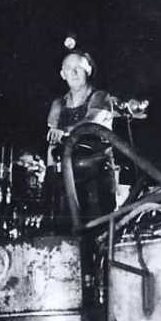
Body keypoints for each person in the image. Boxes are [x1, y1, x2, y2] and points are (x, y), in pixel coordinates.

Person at [45, 49, 117, 221]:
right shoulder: (58, 104)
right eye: (69, 68)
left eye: (79, 67)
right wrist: (50, 176)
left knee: (99, 225)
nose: (74, 72)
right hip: (67, 176)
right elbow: (52, 142)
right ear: (63, 74)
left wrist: (64, 132)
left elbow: (91, 123)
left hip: (97, 176)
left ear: (89, 70)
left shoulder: (100, 97)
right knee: (64, 226)